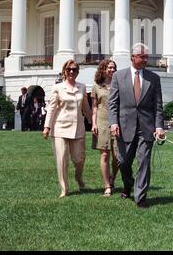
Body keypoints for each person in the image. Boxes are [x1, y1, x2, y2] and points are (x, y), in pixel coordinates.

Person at [108, 43, 165, 209]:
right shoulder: (119, 76)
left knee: (144, 162)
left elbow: (158, 106)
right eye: (142, 57)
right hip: (124, 126)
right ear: (133, 57)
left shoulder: (154, 78)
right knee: (123, 161)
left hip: (146, 128)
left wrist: (159, 126)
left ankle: (140, 197)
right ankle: (128, 183)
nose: (146, 60)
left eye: (147, 56)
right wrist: (113, 123)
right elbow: (112, 103)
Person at [43, 59, 92, 198]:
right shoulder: (57, 87)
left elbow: (86, 107)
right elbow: (51, 108)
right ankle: (64, 189)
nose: (71, 71)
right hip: (60, 127)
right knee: (62, 159)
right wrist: (47, 126)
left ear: (77, 72)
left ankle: (78, 178)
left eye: (74, 69)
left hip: (78, 128)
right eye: (69, 69)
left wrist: (92, 122)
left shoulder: (82, 87)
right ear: (64, 71)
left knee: (79, 159)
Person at [91, 59, 118, 196]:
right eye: (109, 67)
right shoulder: (96, 86)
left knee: (117, 157)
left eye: (114, 68)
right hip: (101, 122)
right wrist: (94, 124)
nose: (112, 70)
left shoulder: (119, 84)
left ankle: (113, 178)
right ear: (103, 69)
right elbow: (94, 108)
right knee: (105, 154)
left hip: (117, 123)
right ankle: (107, 185)